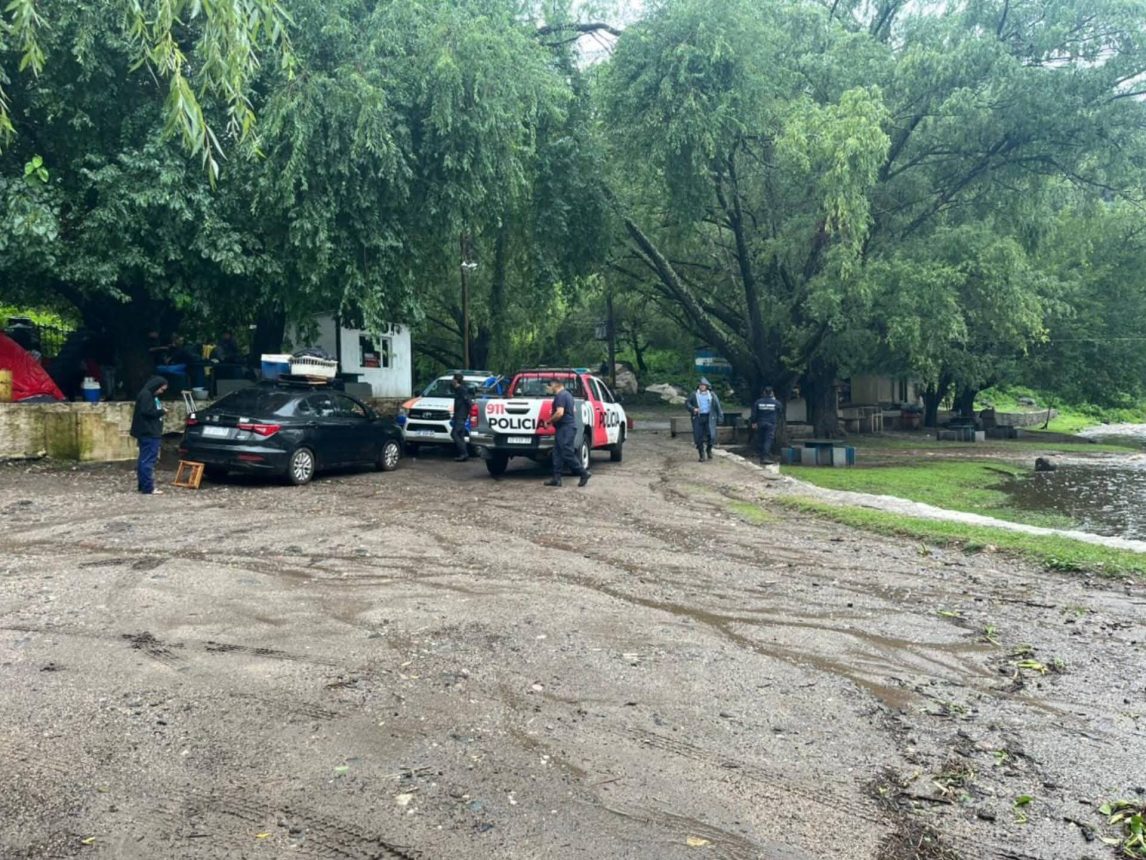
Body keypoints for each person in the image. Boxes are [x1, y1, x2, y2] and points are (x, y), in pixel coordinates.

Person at [541, 378, 590, 488]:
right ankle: (556, 478)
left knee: (566, 453)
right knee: (557, 453)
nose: (547, 389)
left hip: (566, 428)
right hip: (564, 428)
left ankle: (583, 473)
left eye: (548, 387)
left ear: (554, 385)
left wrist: (548, 421)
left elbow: (559, 413)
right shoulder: (567, 394)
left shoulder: (561, 396)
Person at [131, 376, 168, 495]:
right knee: (148, 461)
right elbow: (147, 412)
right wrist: (162, 412)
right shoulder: (147, 395)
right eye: (161, 389)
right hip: (149, 432)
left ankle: (143, 485)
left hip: (146, 432)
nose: (161, 392)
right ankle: (148, 487)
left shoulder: (146, 394)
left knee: (143, 459)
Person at [685, 377, 723, 461]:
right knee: (698, 436)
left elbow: (718, 406)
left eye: (703, 385)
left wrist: (720, 416)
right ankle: (701, 454)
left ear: (707, 386)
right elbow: (687, 403)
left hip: (709, 417)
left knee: (711, 436)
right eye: (700, 385)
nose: (702, 387)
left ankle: (709, 449)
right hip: (698, 417)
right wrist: (693, 409)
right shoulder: (694, 394)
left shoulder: (712, 395)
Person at [751, 386, 783, 464]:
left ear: (764, 393)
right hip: (771, 424)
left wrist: (754, 422)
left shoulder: (758, 402)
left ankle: (761, 455)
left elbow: (754, 414)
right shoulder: (776, 403)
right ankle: (765, 457)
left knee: (761, 439)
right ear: (772, 393)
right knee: (768, 440)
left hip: (760, 423)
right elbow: (780, 411)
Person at [450, 372, 473, 462]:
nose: (452, 381)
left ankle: (464, 453)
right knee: (460, 435)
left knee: (454, 434)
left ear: (456, 380)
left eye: (453, 379)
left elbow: (468, 402)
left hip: (461, 415)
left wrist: (467, 412)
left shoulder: (462, 390)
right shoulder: (458, 390)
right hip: (459, 415)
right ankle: (464, 454)